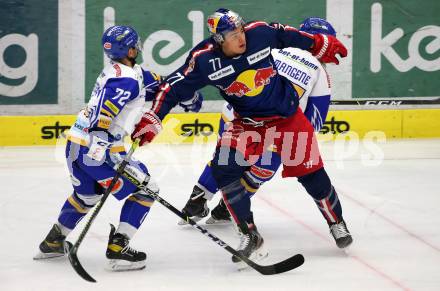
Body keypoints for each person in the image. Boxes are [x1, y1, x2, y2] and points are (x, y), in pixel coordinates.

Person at [131, 9, 349, 266]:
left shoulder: (259, 34)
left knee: (311, 174)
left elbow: (287, 35)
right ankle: (250, 235)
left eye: (241, 30)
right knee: (223, 168)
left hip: (288, 118)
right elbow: (171, 88)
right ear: (219, 39)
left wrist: (319, 44)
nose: (241, 37)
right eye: (233, 34)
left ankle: (337, 223)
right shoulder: (203, 61)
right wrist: (154, 117)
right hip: (246, 123)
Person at [34, 25, 203, 271]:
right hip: (97, 150)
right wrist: (103, 150)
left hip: (75, 144)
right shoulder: (126, 79)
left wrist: (187, 96)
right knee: (147, 190)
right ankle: (118, 249)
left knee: (87, 196)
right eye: (136, 45)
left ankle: (53, 242)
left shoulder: (121, 71)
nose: (139, 48)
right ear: (131, 49)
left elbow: (160, 85)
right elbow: (104, 114)